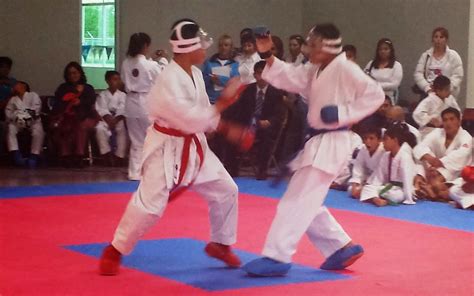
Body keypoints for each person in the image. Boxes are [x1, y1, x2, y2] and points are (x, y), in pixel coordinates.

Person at [99, 19, 246, 276]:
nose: (205, 50)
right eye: (201, 46)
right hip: (166, 146)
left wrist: (227, 128)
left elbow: (202, 113)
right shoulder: (167, 79)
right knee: (149, 207)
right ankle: (115, 249)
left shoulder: (197, 74)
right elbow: (188, 118)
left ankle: (221, 243)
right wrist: (224, 105)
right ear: (189, 48)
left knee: (227, 190)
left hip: (194, 144)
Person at [242, 23, 384, 277]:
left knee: (296, 201)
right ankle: (341, 247)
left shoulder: (345, 68)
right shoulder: (316, 68)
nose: (308, 49)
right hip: (319, 142)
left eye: (313, 44)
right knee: (307, 199)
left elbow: (375, 95)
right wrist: (267, 55)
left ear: (328, 47)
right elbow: (291, 77)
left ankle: (277, 256)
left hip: (332, 141)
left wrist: (343, 113)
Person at [221, 60, 286, 180]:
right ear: (255, 75)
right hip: (249, 124)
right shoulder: (248, 90)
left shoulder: (276, 92)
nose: (262, 77)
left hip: (266, 125)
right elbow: (238, 108)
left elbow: (279, 114)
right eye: (259, 73)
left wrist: (269, 121)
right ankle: (232, 167)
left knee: (268, 137)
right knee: (232, 133)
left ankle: (262, 169)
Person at [121, 32, 168, 180]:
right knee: (152, 137)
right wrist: (163, 60)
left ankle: (134, 172)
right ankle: (152, 170)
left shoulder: (126, 63)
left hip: (130, 103)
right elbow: (162, 74)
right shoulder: (150, 65)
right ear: (145, 46)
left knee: (136, 140)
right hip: (145, 102)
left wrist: (154, 59)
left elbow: (133, 72)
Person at [413, 108, 472, 201]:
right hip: (433, 168)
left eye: (452, 119)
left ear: (459, 121)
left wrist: (439, 163)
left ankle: (428, 188)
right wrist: (430, 159)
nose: (448, 123)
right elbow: (419, 147)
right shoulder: (437, 133)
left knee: (438, 183)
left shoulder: (465, 137)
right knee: (422, 158)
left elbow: (462, 156)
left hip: (455, 171)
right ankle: (425, 186)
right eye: (445, 120)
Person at [51, 62, 98, 168]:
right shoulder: (62, 88)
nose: (73, 76)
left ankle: (79, 156)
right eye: (70, 74)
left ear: (80, 73)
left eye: (75, 73)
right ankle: (65, 156)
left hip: (85, 117)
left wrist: (80, 102)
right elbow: (58, 104)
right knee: (64, 126)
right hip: (67, 116)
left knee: (80, 126)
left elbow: (90, 101)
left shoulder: (88, 88)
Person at [360, 122, 417, 206]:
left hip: (401, 190)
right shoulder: (385, 156)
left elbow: (407, 179)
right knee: (368, 187)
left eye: (386, 139)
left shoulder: (404, 156)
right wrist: (373, 187)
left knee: (395, 195)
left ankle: (376, 197)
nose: (383, 142)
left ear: (395, 140)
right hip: (388, 187)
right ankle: (376, 199)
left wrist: (409, 198)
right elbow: (379, 177)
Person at [413, 27, 463, 98]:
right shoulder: (426, 56)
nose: (438, 40)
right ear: (432, 39)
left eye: (441, 37)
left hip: (448, 94)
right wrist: (427, 88)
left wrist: (446, 89)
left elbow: (458, 75)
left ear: (446, 40)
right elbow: (418, 74)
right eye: (436, 37)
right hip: (429, 93)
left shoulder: (454, 56)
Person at [5, 81, 44, 168]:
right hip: (17, 121)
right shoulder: (13, 99)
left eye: (17, 84)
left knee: (37, 131)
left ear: (24, 86)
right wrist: (16, 117)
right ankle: (16, 154)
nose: (15, 86)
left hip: (33, 121)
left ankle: (34, 156)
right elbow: (8, 112)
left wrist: (25, 117)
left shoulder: (33, 95)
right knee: (11, 128)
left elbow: (36, 109)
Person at [95, 71, 127, 166]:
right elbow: (101, 108)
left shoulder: (123, 95)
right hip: (106, 119)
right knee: (99, 128)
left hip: (118, 118)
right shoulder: (102, 95)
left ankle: (119, 156)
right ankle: (106, 154)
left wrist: (116, 119)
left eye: (118, 80)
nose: (116, 82)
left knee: (122, 129)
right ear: (107, 81)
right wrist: (109, 118)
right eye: (114, 79)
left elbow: (123, 108)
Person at [348, 126, 385, 199]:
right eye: (365, 138)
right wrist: (355, 184)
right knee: (350, 189)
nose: (367, 141)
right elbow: (358, 166)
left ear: (379, 140)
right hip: (367, 179)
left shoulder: (383, 152)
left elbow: (379, 173)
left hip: (380, 181)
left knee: (370, 190)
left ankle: (371, 196)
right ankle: (368, 194)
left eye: (371, 138)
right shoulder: (363, 149)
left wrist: (366, 185)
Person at [202, 34, 239, 104]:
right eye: (220, 45)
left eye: (226, 45)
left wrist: (221, 80)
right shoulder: (209, 62)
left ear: (231, 47)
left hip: (228, 102)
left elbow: (235, 84)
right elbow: (202, 82)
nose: (223, 47)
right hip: (211, 101)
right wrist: (210, 80)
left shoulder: (235, 64)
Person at [364, 38, 403, 104]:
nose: (382, 51)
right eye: (380, 49)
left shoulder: (397, 65)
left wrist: (376, 86)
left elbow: (395, 85)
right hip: (370, 99)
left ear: (391, 50)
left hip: (387, 100)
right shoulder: (371, 64)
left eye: (386, 49)